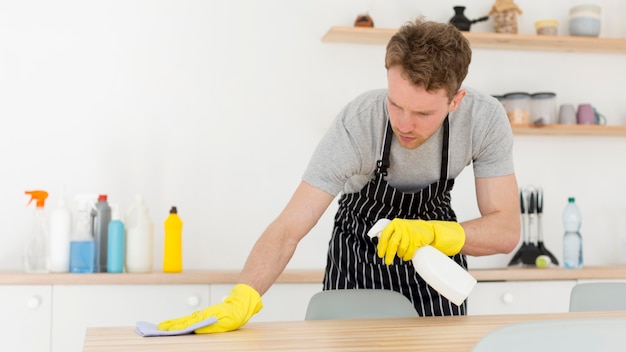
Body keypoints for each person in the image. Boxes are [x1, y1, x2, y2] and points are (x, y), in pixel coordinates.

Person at [158, 17, 520, 333]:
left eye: (423, 113)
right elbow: (288, 228)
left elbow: (505, 231)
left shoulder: (483, 120)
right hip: (358, 258)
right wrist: (242, 296)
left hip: (435, 262)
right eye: (395, 104)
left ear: (455, 100)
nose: (404, 124)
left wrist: (431, 232)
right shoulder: (359, 123)